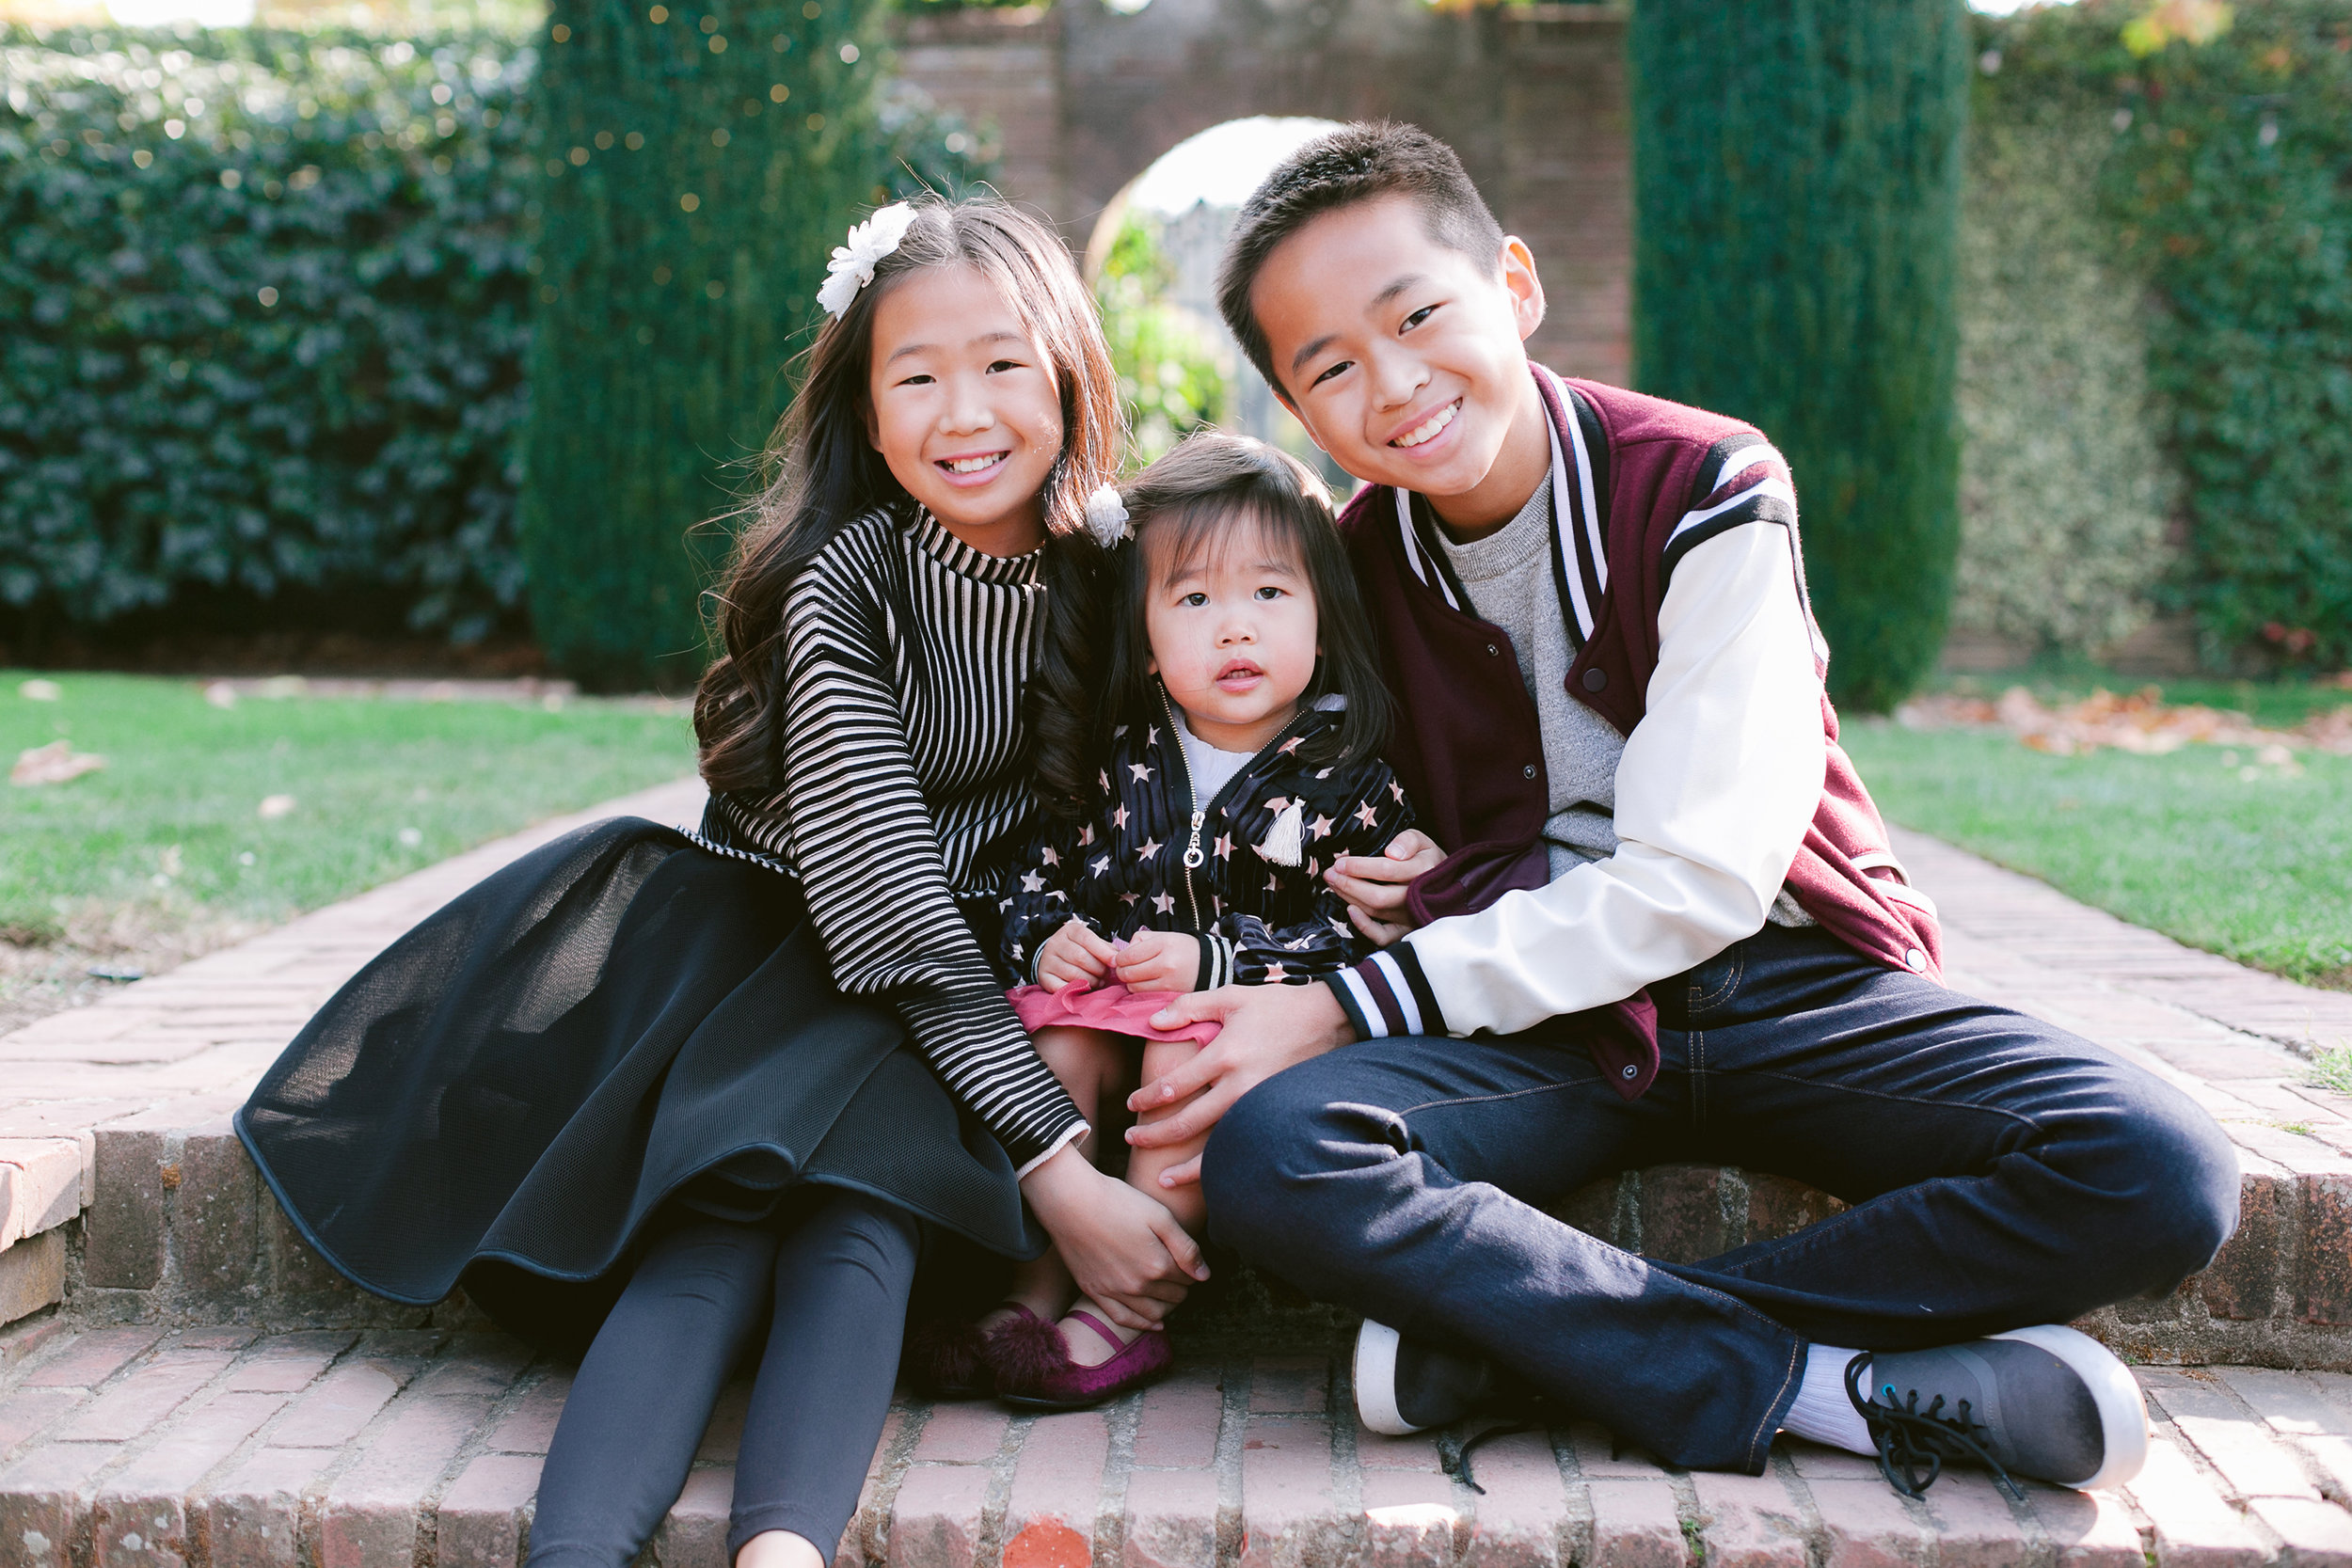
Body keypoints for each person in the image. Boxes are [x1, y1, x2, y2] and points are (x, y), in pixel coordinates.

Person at [1119, 123, 2240, 1498]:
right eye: (1331, 366)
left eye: (1418, 315)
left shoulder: (1709, 483)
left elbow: (1699, 873)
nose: (1393, 382)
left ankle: (1518, 1347)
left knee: (2156, 1167)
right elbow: (1270, 782)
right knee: (1280, 1153)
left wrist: (1356, 1001)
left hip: (1782, 976)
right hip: (1549, 1026)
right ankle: (1826, 1386)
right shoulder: (1348, 564)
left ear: (1514, 285)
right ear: (1298, 407)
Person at [236, 197, 1205, 1568]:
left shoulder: (1112, 571)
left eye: (1000, 363)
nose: (963, 408)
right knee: (725, 1221)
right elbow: (881, 894)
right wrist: (1061, 1170)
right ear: (867, 419)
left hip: (953, 982)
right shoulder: (839, 586)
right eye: (915, 375)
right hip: (770, 954)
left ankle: (784, 1552)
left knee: (861, 1218)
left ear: (1068, 374)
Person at [965, 434, 1416, 1409]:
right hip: (1112, 1008)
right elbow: (1037, 869)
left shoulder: (1353, 781)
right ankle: (1033, 1280)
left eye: (1267, 592)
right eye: (1194, 599)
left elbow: (1362, 941)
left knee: (1181, 1062)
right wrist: (1050, 937)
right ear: (1146, 631)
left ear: (1323, 617)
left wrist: (1219, 958)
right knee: (1062, 1040)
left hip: (1242, 1028)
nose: (1234, 630)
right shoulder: (1116, 757)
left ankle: (1124, 1310)